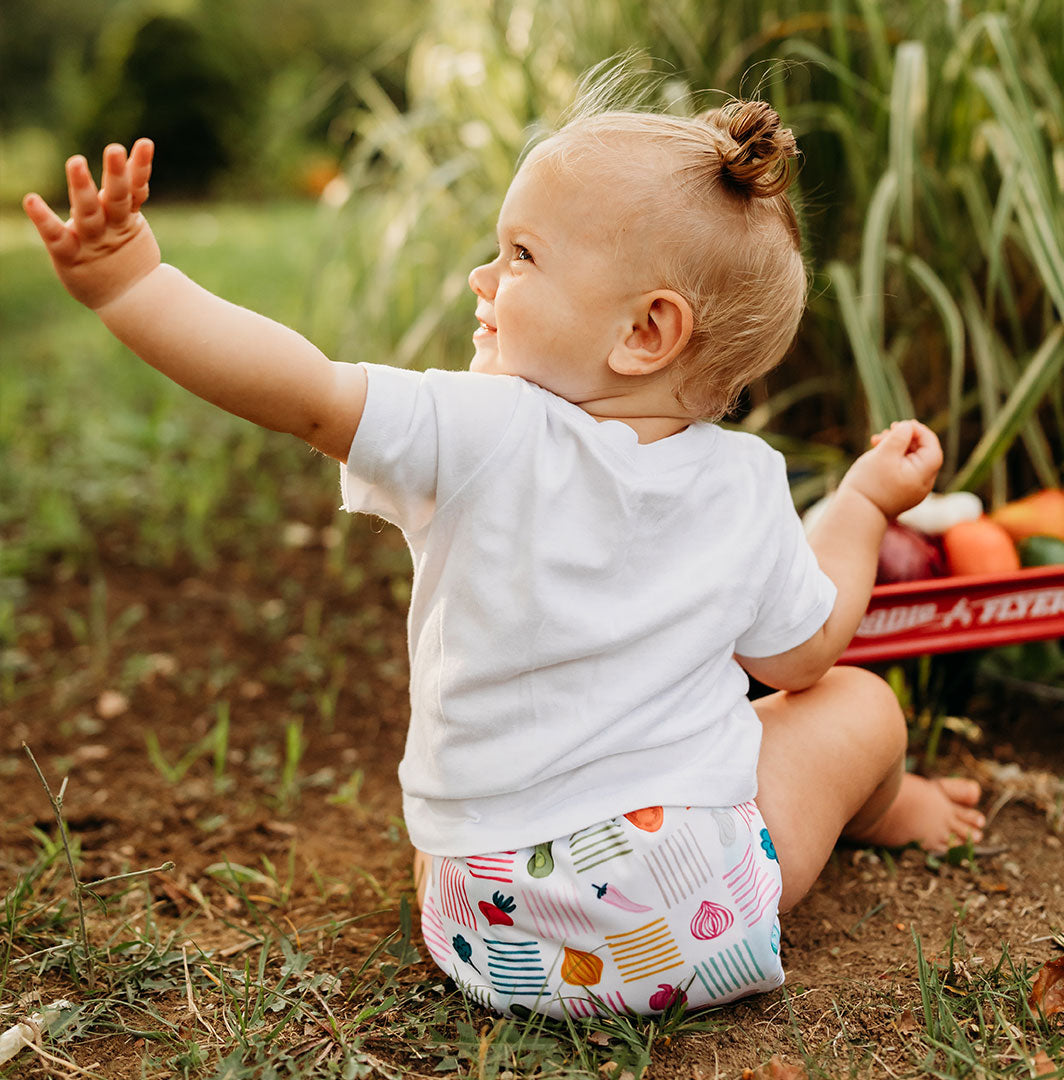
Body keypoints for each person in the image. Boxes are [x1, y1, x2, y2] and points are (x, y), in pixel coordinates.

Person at [24, 93, 985, 1021]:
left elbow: (304, 391)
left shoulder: (478, 429)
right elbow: (803, 658)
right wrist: (859, 504)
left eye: (521, 255)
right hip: (699, 915)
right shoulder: (746, 481)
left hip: (489, 925)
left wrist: (133, 285)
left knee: (465, 808)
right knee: (857, 702)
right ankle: (891, 810)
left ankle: (497, 896)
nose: (483, 279)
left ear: (646, 332)